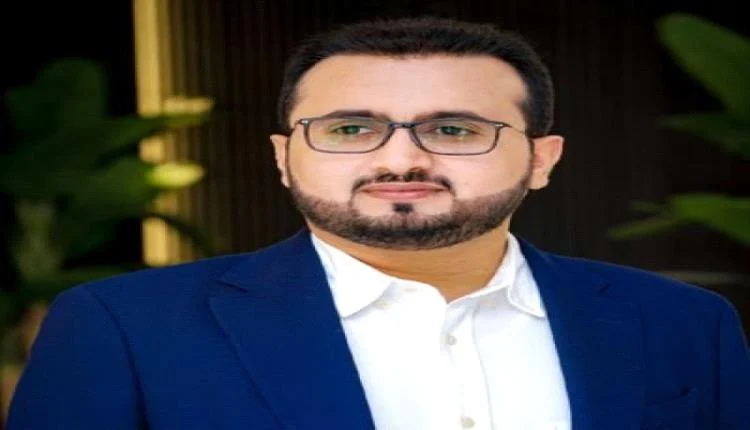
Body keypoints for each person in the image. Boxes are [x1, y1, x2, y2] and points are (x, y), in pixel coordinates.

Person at [7, 17, 749, 430]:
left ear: (541, 159)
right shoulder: (125, 328)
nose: (400, 159)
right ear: (284, 157)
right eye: (349, 129)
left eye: (454, 130)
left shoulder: (682, 323)